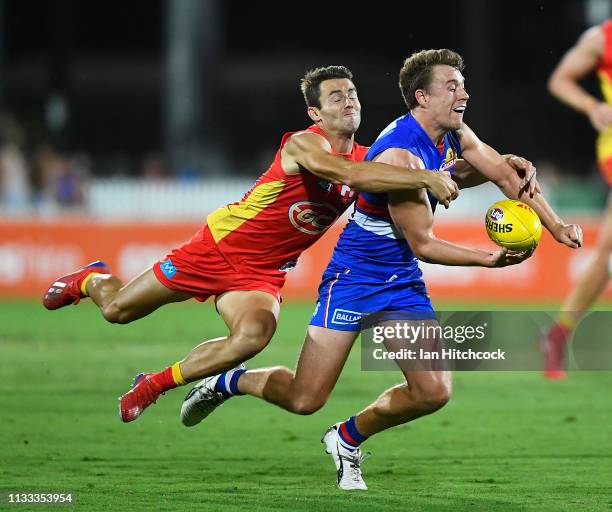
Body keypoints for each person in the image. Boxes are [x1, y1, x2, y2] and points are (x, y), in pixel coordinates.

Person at [180, 49, 583, 491]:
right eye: (452, 86)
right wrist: (490, 260)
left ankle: (346, 438)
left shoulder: (452, 132)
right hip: (355, 278)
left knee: (433, 391)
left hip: (401, 281)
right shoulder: (401, 157)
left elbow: (507, 176)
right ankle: (230, 382)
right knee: (305, 398)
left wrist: (556, 225)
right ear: (421, 97)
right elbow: (424, 243)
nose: (464, 93)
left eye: (462, 84)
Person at [42, 66, 463, 422]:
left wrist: (478, 172)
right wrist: (425, 177)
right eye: (336, 97)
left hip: (262, 275)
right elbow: (349, 176)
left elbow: (417, 174)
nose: (348, 101)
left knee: (252, 337)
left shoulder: (372, 161)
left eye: (352, 94)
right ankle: (93, 279)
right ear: (315, 111)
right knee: (117, 311)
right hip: (217, 249)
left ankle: (154, 383)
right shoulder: (304, 143)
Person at [540, 20, 612, 379]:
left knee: (605, 256)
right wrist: (592, 106)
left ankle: (557, 334)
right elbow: (560, 80)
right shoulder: (602, 38)